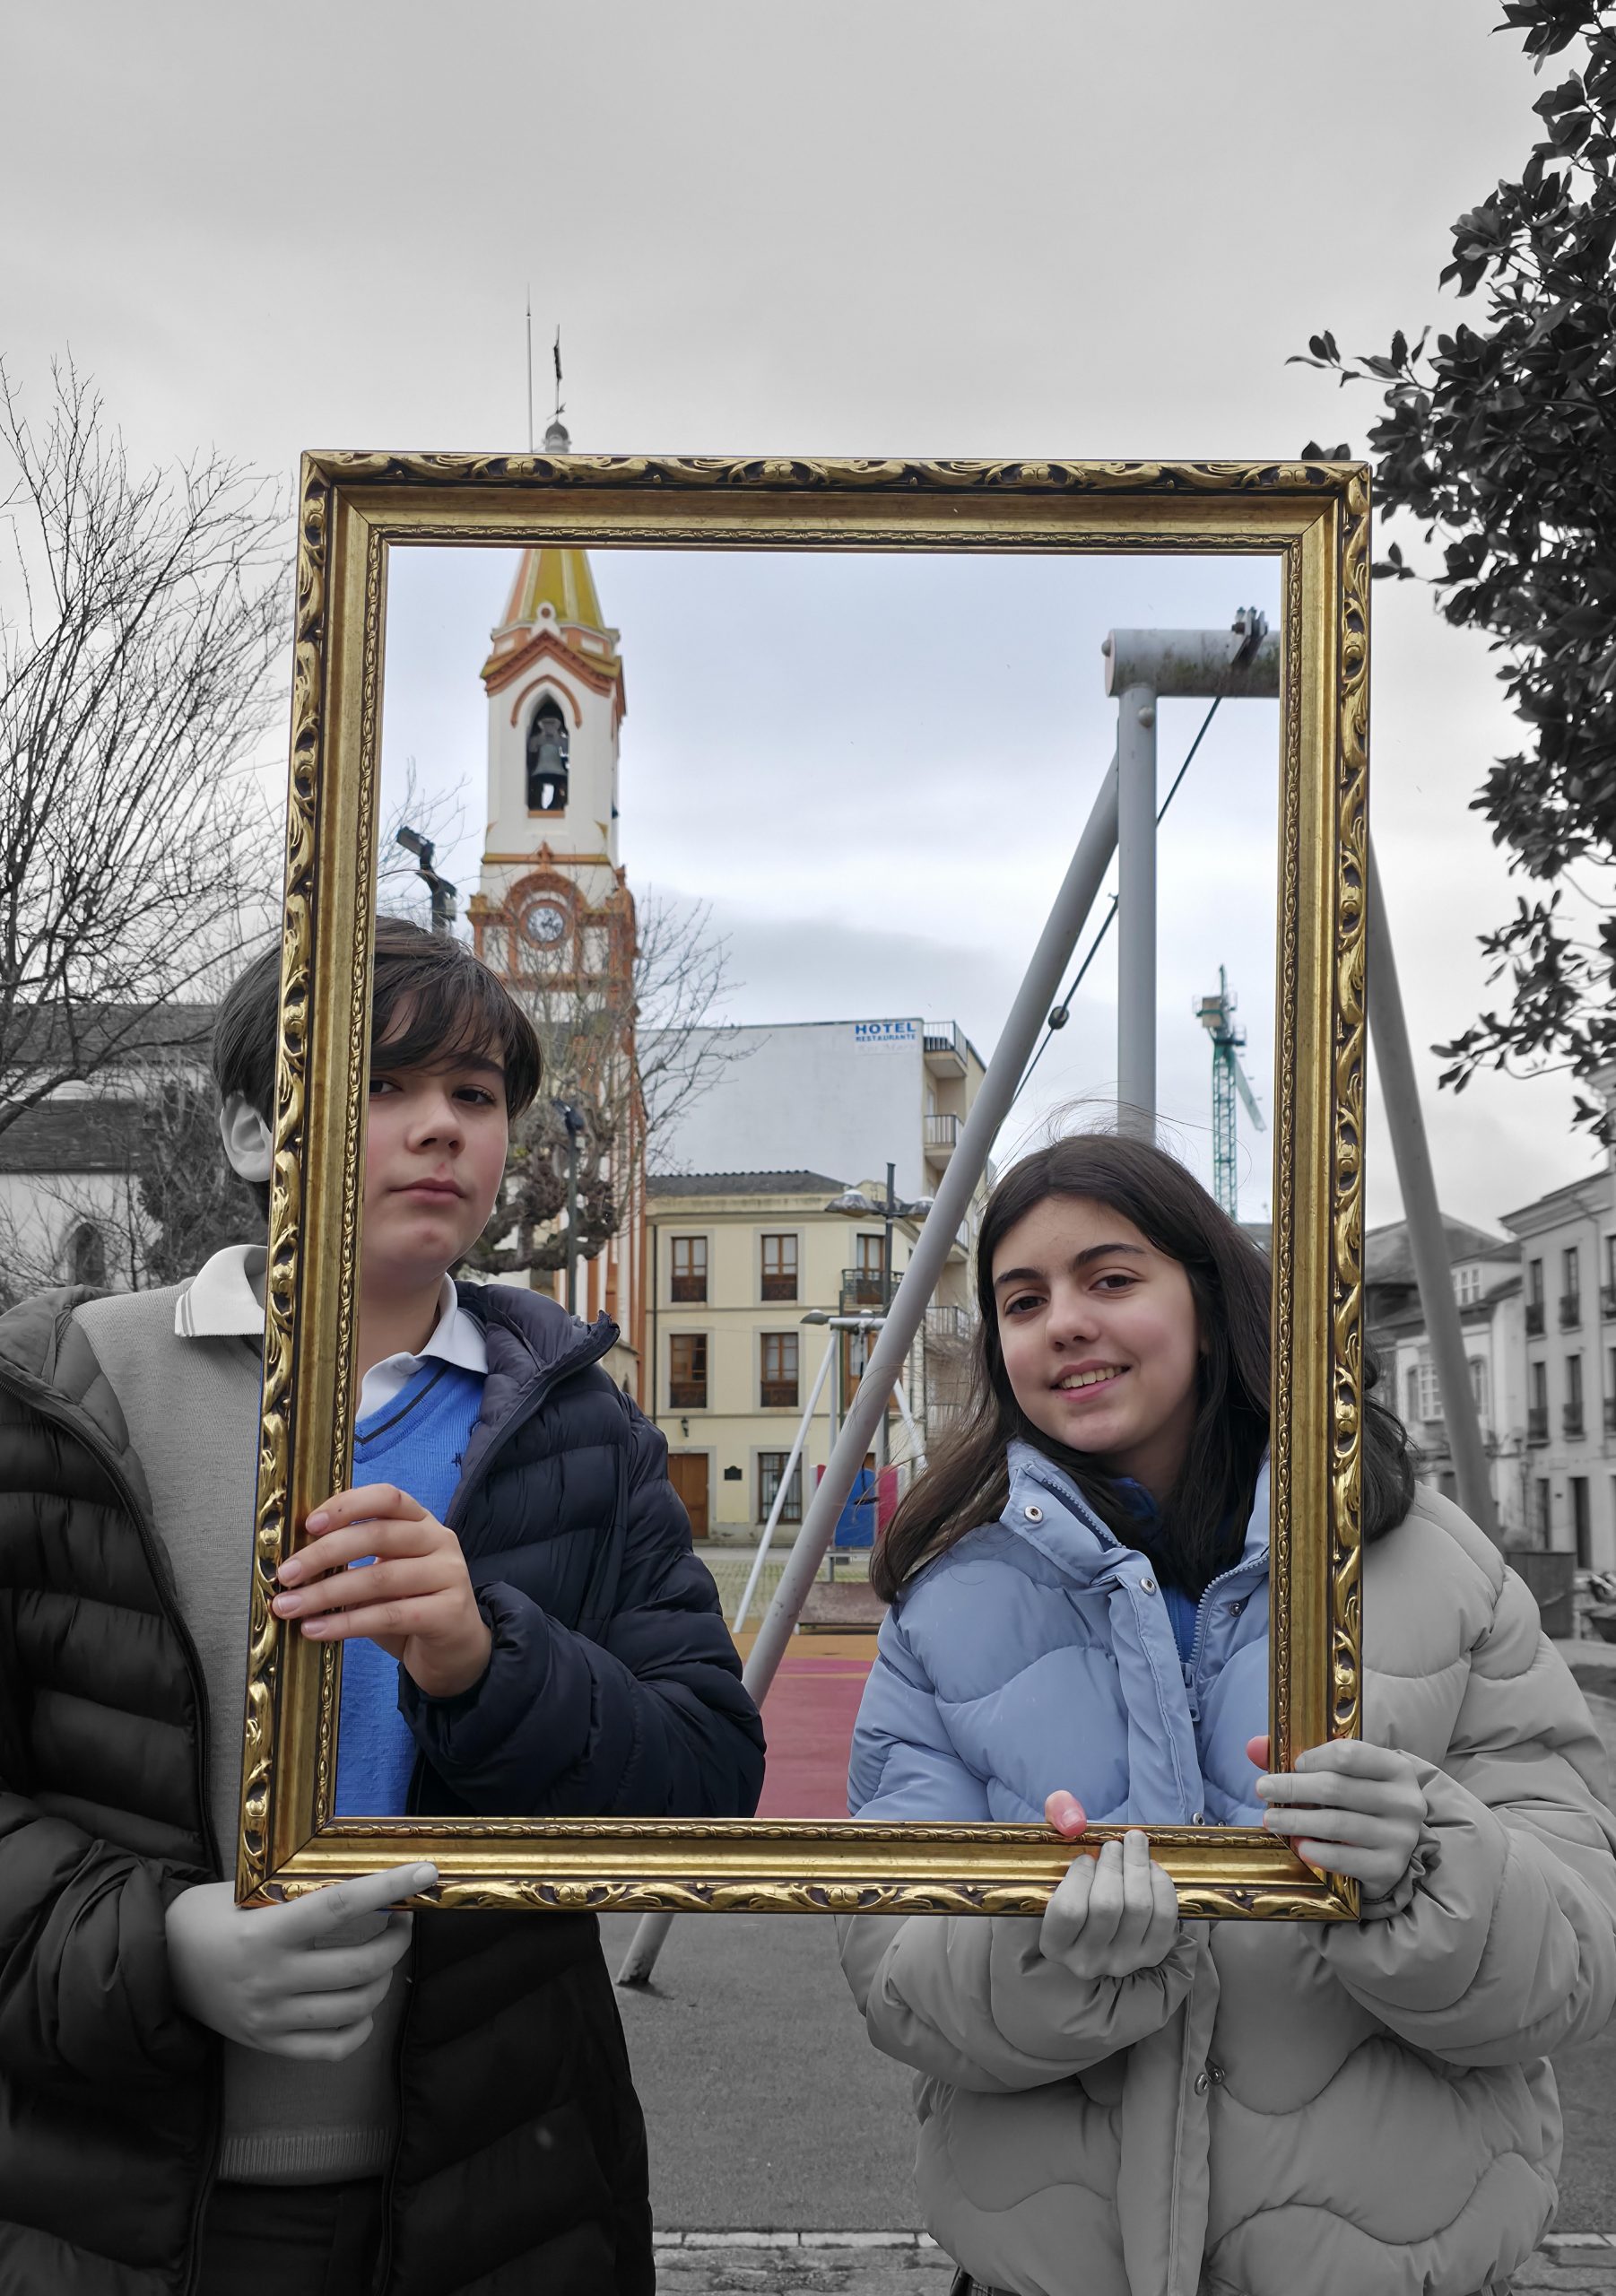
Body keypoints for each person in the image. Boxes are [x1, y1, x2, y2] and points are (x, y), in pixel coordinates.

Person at [0, 916, 766, 2295]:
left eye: (475, 1094)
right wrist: (157, 1951)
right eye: (380, 1084)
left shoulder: (582, 1433)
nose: (441, 1127)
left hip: (495, 2186)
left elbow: (703, 1783)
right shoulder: (69, 1396)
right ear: (251, 1131)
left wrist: (486, 1665)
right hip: (105, 2195)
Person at [840, 1132, 1616, 2296]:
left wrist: (1427, 1870)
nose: (1063, 1323)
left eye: (1110, 1279)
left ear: (1207, 1303)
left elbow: (1580, 1957)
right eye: (1022, 1300)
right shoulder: (947, 1610)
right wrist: (1041, 1952)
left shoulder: (1434, 1572)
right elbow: (892, 1974)